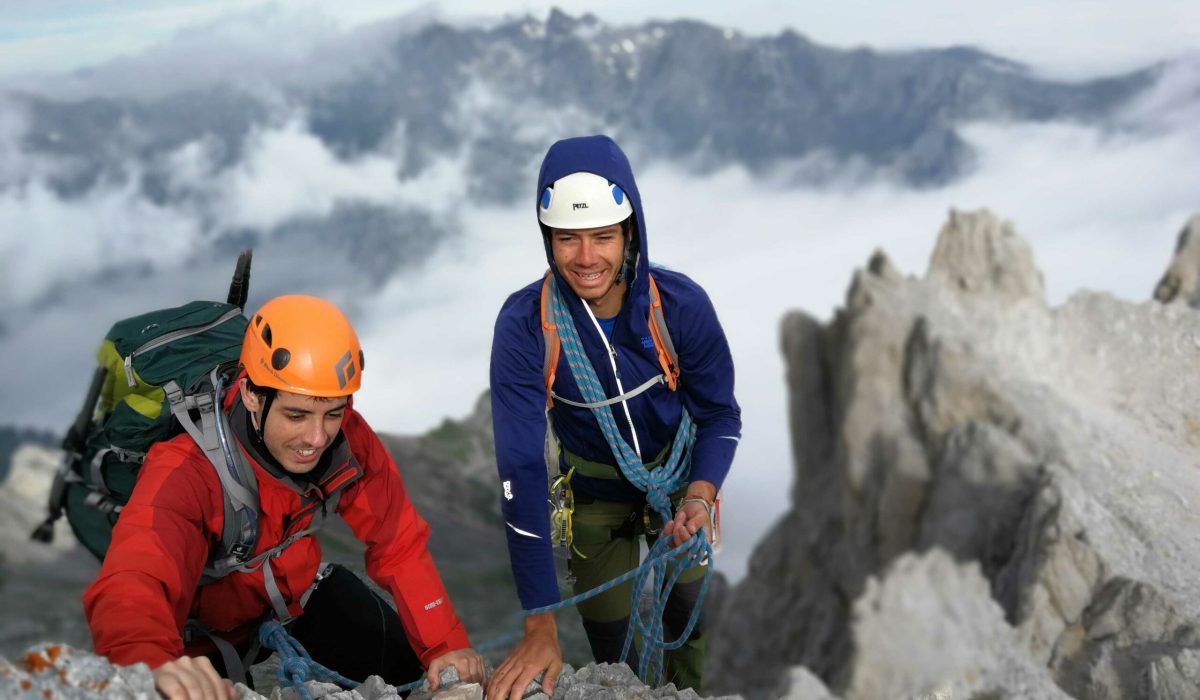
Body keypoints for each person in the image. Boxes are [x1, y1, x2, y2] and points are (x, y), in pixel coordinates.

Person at [83, 295, 484, 700]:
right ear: (253, 396)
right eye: (296, 415)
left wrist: (444, 645)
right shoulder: (185, 468)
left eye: (333, 412)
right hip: (202, 638)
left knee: (418, 675)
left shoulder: (347, 439)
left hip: (292, 600)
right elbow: (137, 573)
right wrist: (149, 660)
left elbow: (397, 541)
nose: (317, 438)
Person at [486, 135, 741, 699]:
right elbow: (521, 468)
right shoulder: (526, 326)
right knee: (616, 656)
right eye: (567, 238)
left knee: (688, 626)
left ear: (631, 232)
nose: (586, 258)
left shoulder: (679, 307)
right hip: (595, 499)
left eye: (603, 236)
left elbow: (720, 414)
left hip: (680, 491)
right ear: (547, 239)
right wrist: (539, 621)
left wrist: (700, 494)